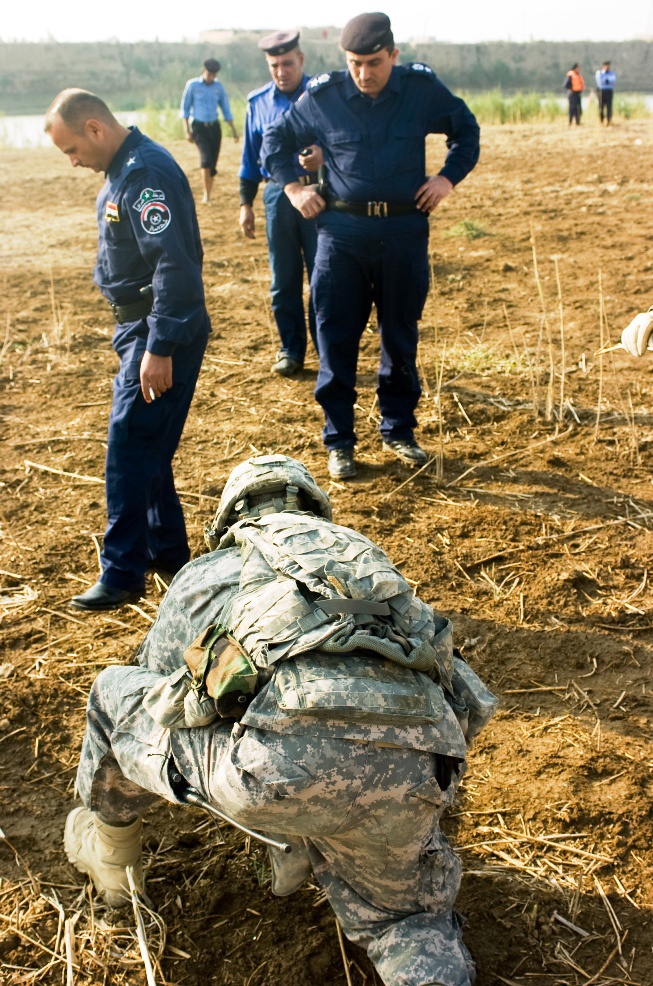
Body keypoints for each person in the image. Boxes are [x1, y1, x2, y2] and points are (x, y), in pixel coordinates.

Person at [63, 453, 498, 986]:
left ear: (226, 522)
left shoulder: (204, 572)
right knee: (407, 924)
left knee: (114, 694)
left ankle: (112, 857)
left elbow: (157, 697)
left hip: (276, 771)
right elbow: (461, 693)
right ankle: (305, 847)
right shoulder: (367, 563)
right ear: (320, 512)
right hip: (412, 770)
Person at [261, 12, 480, 480]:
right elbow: (274, 142)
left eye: (374, 62)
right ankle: (339, 441)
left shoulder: (420, 90)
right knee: (335, 338)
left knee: (400, 336)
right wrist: (295, 189)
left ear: (393, 56)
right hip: (341, 237)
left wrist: (446, 179)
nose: (364, 73)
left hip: (403, 233)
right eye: (355, 63)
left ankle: (398, 429)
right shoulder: (323, 97)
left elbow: (467, 132)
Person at [44, 89, 211, 611]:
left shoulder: (144, 176)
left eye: (72, 149)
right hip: (140, 328)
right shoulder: (124, 170)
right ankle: (168, 553)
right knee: (149, 446)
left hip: (158, 329)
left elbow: (173, 268)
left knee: (128, 444)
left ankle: (122, 573)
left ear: (95, 128)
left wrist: (158, 346)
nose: (73, 162)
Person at [239, 31, 321, 378]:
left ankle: (328, 348)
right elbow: (249, 159)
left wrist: (324, 155)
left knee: (325, 275)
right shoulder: (258, 103)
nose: (281, 71)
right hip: (277, 196)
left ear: (301, 60)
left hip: (321, 192)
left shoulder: (324, 94)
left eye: (287, 63)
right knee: (283, 278)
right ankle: (291, 349)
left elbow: (348, 140)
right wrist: (246, 204)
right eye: (274, 65)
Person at [180, 58, 239, 205]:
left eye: (214, 74)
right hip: (199, 127)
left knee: (212, 163)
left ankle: (209, 189)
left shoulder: (219, 87)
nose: (211, 77)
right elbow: (185, 109)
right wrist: (186, 130)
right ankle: (207, 194)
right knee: (205, 160)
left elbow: (225, 109)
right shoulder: (192, 86)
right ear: (203, 71)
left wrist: (234, 130)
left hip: (214, 127)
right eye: (209, 73)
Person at [595, 61, 617, 125]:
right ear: (603, 66)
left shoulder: (611, 73)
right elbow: (600, 81)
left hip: (609, 91)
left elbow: (613, 80)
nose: (608, 67)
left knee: (609, 106)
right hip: (601, 91)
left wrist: (607, 80)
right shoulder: (599, 73)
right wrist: (607, 80)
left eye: (609, 66)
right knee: (601, 106)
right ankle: (601, 120)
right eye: (607, 66)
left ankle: (609, 120)